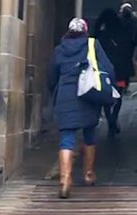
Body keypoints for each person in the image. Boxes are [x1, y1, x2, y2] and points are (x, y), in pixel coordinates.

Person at [48, 16, 116, 198]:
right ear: (85, 31)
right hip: (87, 94)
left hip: (65, 95)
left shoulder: (59, 49)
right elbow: (107, 68)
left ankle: (65, 179)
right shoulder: (92, 45)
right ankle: (88, 174)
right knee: (89, 134)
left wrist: (56, 91)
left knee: (67, 136)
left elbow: (51, 76)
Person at [94, 7, 127, 135]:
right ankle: (114, 115)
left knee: (106, 95)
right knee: (119, 94)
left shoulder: (100, 36)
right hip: (120, 71)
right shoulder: (122, 34)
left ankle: (110, 118)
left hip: (104, 72)